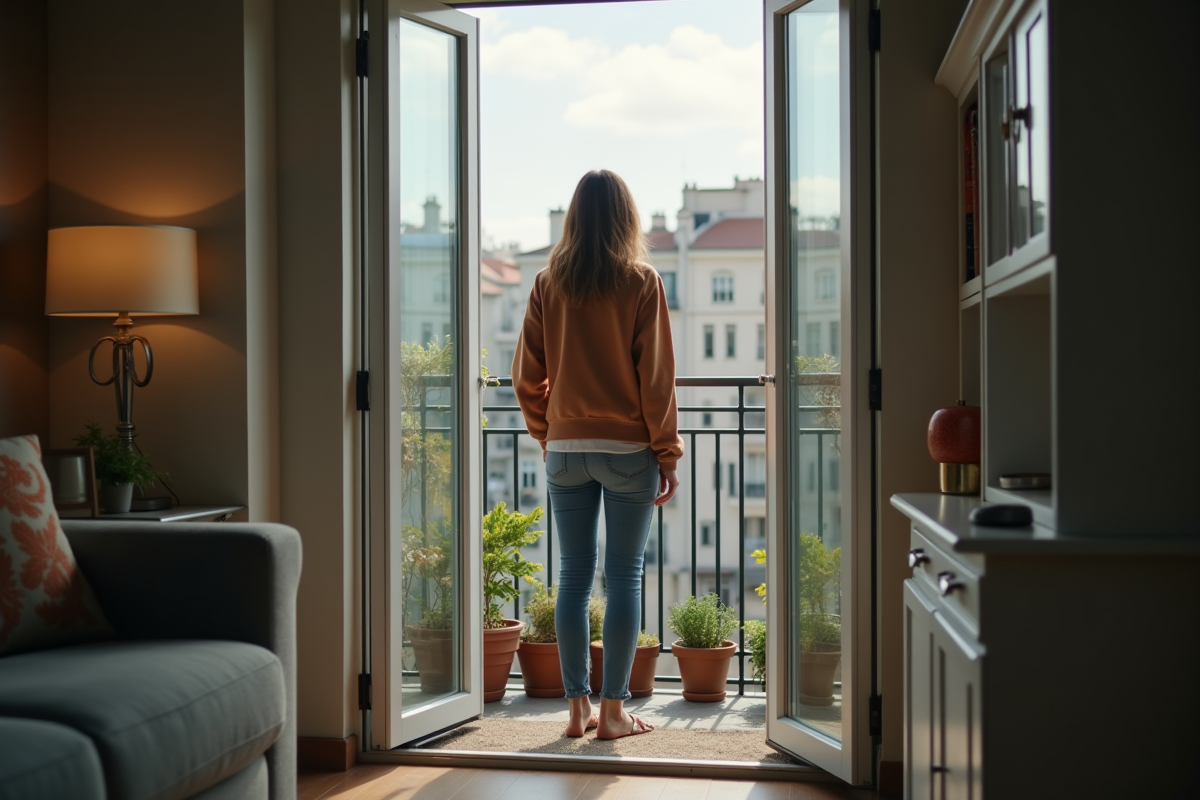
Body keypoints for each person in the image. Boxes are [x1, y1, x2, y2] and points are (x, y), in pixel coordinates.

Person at [513, 169, 683, 740]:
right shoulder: (642, 281)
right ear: (626, 217)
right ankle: (613, 713)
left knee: (573, 578)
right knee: (625, 577)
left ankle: (576, 711)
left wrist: (548, 432)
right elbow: (656, 380)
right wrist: (669, 453)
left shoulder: (547, 282)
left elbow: (524, 377)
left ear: (573, 219)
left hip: (565, 451)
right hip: (628, 451)